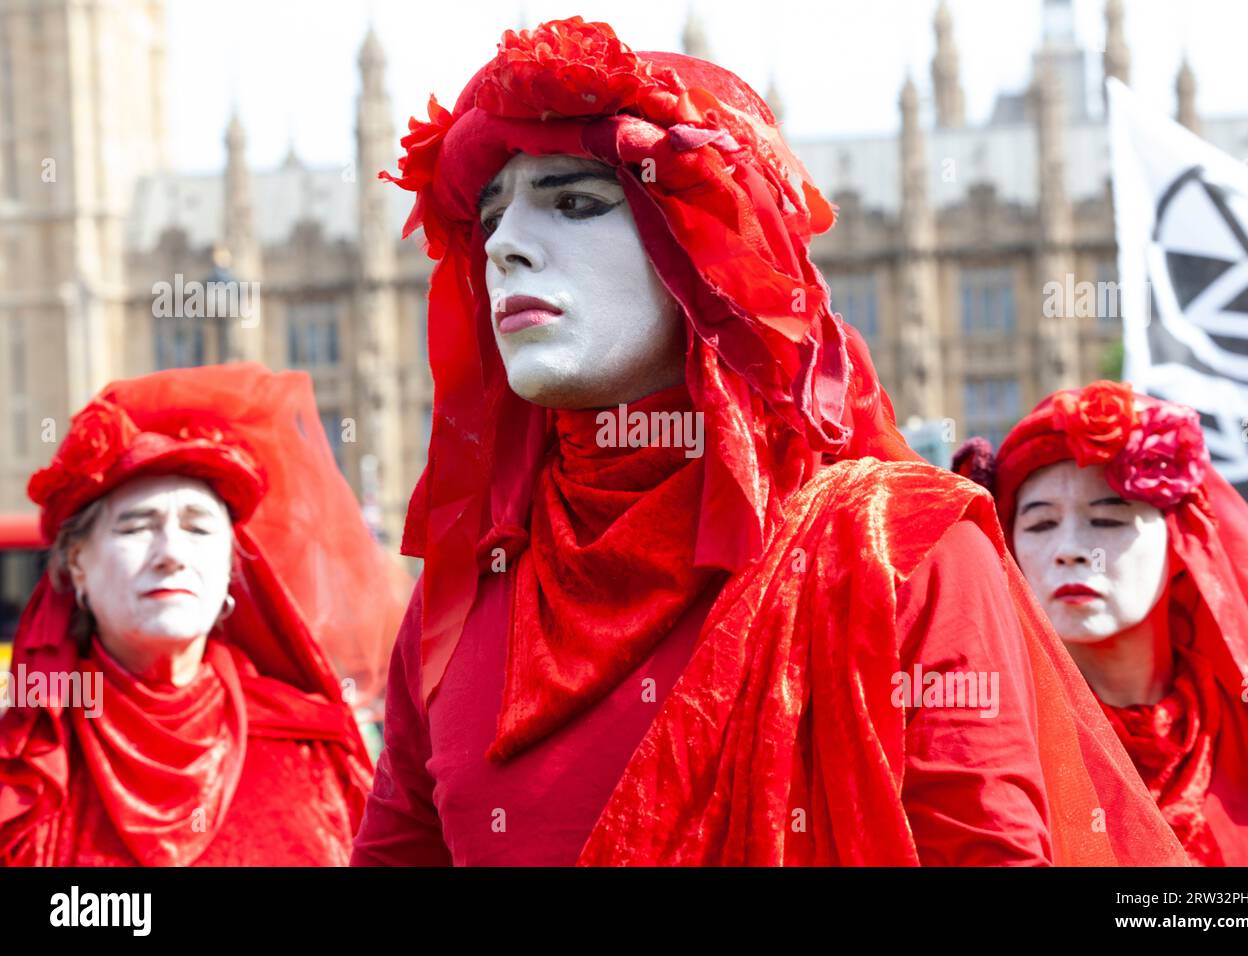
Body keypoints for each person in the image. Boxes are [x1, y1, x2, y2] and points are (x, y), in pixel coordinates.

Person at [351, 16, 1185, 866]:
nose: (506, 246)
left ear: (711, 248)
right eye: (488, 214)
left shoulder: (898, 554)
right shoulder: (463, 596)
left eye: (575, 202)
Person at [0, 363, 402, 866]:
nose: (171, 553)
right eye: (135, 527)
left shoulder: (315, 745)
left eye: (198, 529)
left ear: (232, 565)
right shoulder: (29, 766)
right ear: (77, 563)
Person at [954, 379, 1248, 865]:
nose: (1071, 550)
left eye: (1108, 520)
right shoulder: (988, 740)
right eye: (1040, 524)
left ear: (1180, 542)